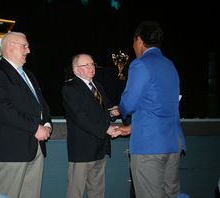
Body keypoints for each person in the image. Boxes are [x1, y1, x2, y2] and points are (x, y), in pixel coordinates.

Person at [118, 20, 187, 198]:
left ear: (139, 40)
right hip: (173, 142)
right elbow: (161, 105)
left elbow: (129, 104)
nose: (133, 47)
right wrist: (133, 126)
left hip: (149, 145)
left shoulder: (140, 64)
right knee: (170, 194)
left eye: (133, 42)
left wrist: (121, 109)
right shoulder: (170, 65)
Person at [0, 31, 52, 198]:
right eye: (25, 46)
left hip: (36, 148)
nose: (28, 51)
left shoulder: (29, 75)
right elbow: (2, 109)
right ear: (10, 46)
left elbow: (42, 104)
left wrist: (47, 124)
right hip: (11, 149)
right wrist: (35, 128)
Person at [61, 53, 120, 198]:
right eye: (86, 65)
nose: (91, 67)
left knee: (97, 191)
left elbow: (104, 110)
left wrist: (113, 112)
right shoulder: (70, 88)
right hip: (82, 149)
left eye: (92, 64)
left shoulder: (98, 86)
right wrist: (106, 129)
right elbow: (80, 117)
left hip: (100, 146)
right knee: (76, 191)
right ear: (76, 69)